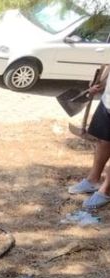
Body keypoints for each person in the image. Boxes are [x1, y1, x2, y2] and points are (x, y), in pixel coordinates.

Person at [69, 64, 110, 209]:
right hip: (108, 102)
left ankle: (106, 189)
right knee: (103, 140)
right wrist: (101, 84)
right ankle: (93, 179)